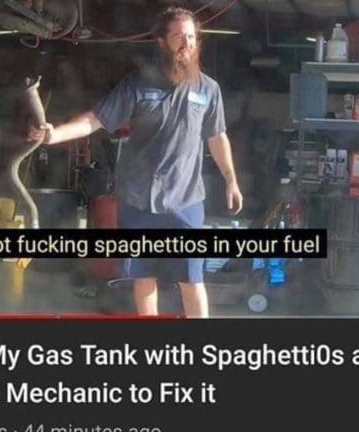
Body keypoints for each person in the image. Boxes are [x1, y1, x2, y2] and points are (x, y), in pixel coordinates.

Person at [28, 6, 243, 318]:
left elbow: (217, 136)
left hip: (185, 201)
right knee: (144, 277)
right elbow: (95, 119)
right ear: (162, 42)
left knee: (191, 279)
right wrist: (53, 135)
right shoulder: (138, 85)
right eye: (178, 36)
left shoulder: (208, 90)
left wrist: (231, 180)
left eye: (191, 36)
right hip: (138, 200)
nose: (186, 43)